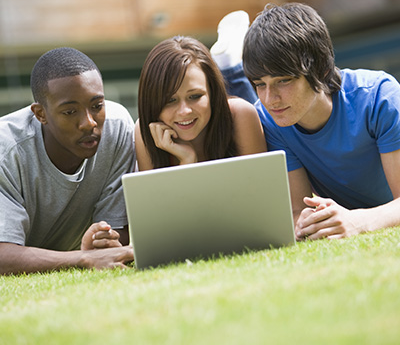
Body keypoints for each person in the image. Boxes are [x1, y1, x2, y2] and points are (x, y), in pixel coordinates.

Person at [216, 3, 400, 241]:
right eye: (260, 84)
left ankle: (232, 69)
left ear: (322, 69)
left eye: (284, 81)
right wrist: (306, 223)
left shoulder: (379, 98)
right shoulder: (271, 120)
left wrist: (358, 221)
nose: (270, 99)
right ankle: (233, 68)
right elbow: (299, 211)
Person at [0, 47, 135, 275]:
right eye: (70, 112)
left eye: (97, 106)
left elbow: (115, 235)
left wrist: (103, 240)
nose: (89, 123)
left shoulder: (118, 128)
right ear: (40, 114)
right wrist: (84, 258)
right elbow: (3, 256)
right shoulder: (7, 149)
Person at [135, 36, 266, 171]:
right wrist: (187, 160)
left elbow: (263, 187)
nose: (184, 111)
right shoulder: (144, 131)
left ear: (212, 93)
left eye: (195, 96)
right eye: (170, 101)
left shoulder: (242, 114)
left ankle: (230, 65)